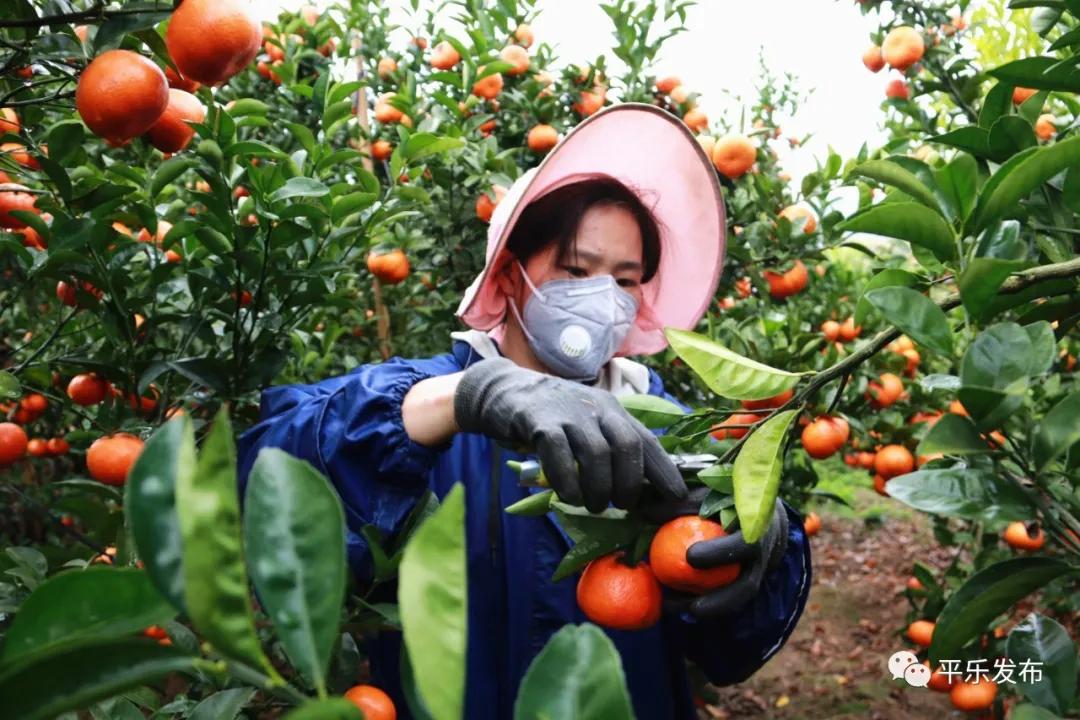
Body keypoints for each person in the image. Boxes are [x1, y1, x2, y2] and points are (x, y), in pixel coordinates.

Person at [237, 102, 811, 719]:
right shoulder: (423, 400)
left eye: (625, 279)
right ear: (511, 277)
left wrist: (759, 543)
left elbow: (726, 650)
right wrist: (462, 400)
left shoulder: (662, 422)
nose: (602, 298)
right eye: (575, 268)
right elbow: (264, 484)